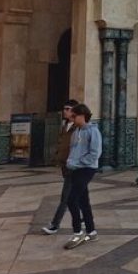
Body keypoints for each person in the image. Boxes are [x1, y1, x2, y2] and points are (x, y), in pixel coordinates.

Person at [64, 103, 102, 249]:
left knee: (71, 199)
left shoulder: (93, 131)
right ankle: (91, 231)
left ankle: (77, 232)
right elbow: (73, 150)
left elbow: (95, 153)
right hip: (75, 168)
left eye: (74, 116)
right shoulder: (76, 131)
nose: (72, 118)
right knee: (83, 200)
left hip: (86, 168)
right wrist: (70, 162)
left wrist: (79, 162)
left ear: (82, 115)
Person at [42, 99, 79, 235]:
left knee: (66, 197)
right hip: (65, 164)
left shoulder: (79, 126)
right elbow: (61, 143)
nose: (65, 111)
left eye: (68, 109)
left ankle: (55, 224)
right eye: (64, 108)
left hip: (74, 166)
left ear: (74, 110)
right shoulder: (65, 125)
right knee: (77, 196)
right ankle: (83, 220)